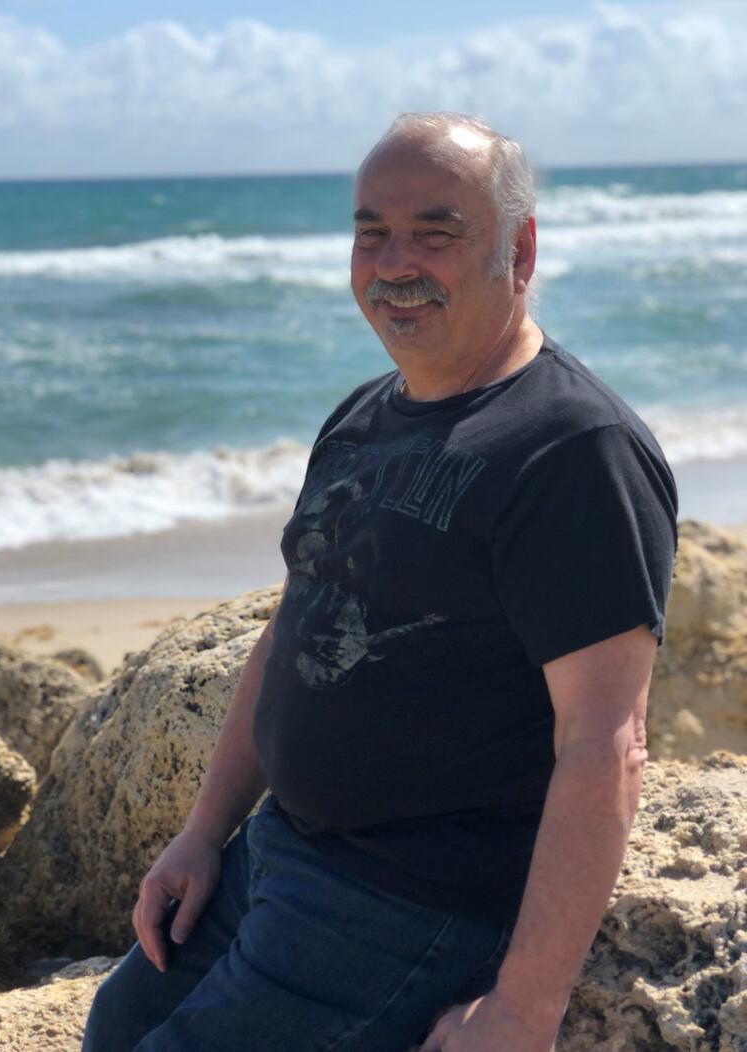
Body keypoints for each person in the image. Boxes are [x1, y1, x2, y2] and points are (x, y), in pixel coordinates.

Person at [83, 112, 677, 1052]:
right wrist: (203, 833)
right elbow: (294, 628)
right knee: (116, 1023)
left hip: (406, 899)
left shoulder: (575, 451)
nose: (395, 262)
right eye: (371, 232)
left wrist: (524, 1008)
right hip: (276, 853)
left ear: (518, 250)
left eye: (436, 232)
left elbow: (607, 742)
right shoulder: (366, 414)